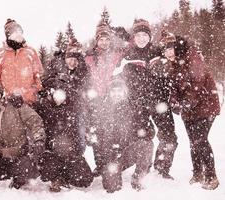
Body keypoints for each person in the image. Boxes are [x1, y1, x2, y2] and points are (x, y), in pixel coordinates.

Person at [154, 32, 220, 190]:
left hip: (205, 106)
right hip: (189, 110)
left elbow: (197, 82)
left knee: (200, 139)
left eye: (170, 48)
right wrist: (174, 102)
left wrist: (187, 102)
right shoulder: (174, 64)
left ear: (176, 47)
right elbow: (175, 88)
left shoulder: (192, 56)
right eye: (165, 50)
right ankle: (197, 173)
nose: (168, 52)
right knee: (193, 141)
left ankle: (211, 176)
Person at [122, 19, 177, 179]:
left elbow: (172, 67)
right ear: (134, 37)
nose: (141, 38)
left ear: (149, 36)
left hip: (159, 101)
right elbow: (122, 78)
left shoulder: (158, 52)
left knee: (169, 136)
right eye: (138, 35)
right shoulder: (128, 55)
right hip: (138, 104)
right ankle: (141, 170)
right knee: (142, 137)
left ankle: (162, 169)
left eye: (144, 35)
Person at [37, 39, 93, 192]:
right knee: (51, 151)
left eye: (76, 58)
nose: (72, 61)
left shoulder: (83, 69)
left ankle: (70, 169)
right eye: (70, 57)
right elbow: (45, 81)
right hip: (55, 112)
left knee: (85, 177)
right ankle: (56, 174)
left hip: (74, 110)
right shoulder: (56, 65)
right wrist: (53, 91)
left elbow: (87, 87)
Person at [84, 20, 123, 177]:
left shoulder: (116, 54)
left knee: (112, 131)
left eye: (107, 39)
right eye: (101, 39)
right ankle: (100, 164)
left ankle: (112, 164)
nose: (104, 42)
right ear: (97, 40)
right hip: (95, 99)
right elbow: (83, 75)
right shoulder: (89, 57)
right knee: (97, 132)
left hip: (112, 97)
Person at [0, 19, 44, 105]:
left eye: (20, 32)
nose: (18, 34)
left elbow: (39, 75)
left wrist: (32, 92)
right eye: (15, 32)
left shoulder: (30, 52)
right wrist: (4, 96)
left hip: (31, 102)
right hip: (9, 103)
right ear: (8, 36)